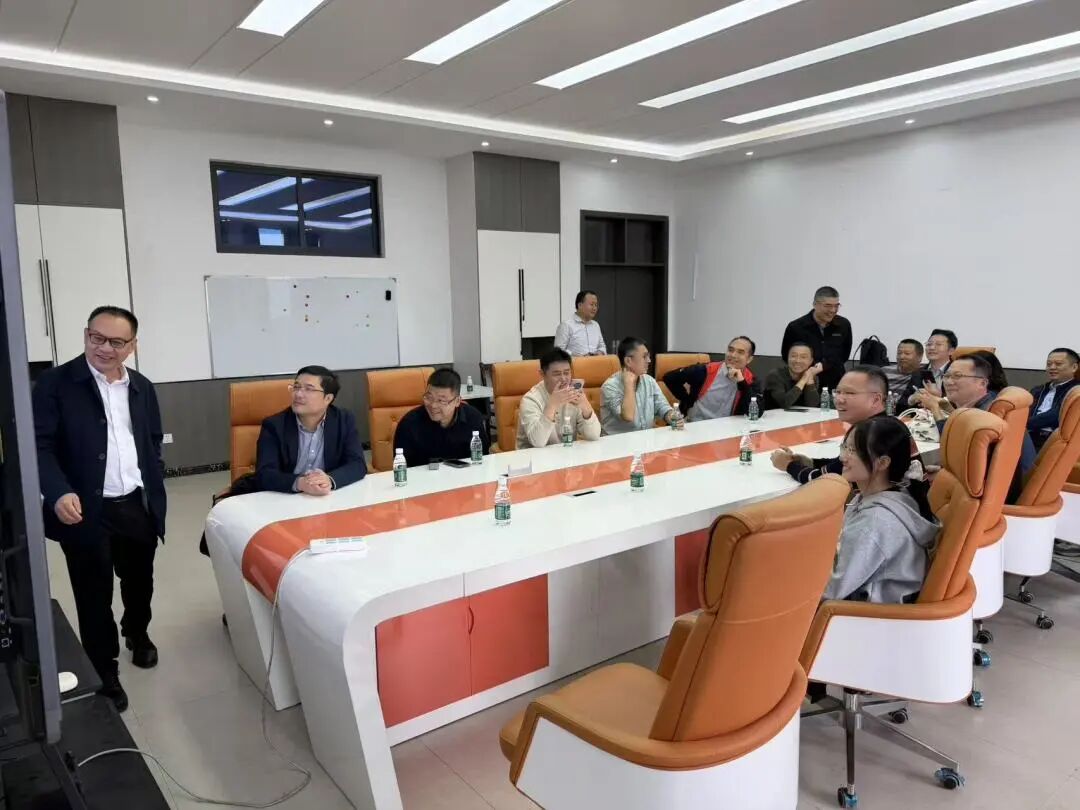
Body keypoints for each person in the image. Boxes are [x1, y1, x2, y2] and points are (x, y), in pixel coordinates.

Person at [33, 306, 166, 712]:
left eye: (116, 342)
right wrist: (57, 491)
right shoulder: (56, 384)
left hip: (135, 503)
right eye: (97, 337)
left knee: (139, 581)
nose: (105, 348)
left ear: (132, 346)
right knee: (92, 594)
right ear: (86, 335)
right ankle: (104, 669)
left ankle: (136, 632)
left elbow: (152, 438)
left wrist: (151, 475)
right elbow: (39, 445)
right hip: (83, 507)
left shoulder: (141, 386)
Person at [824, 417, 939, 603]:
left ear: (883, 462)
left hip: (868, 614)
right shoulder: (896, 495)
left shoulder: (874, 522)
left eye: (852, 450)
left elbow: (831, 590)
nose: (842, 457)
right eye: (844, 447)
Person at [916, 354, 1036, 482]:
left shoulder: (988, 413)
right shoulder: (988, 401)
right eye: (947, 376)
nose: (949, 382)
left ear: (982, 383)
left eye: (957, 376)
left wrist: (935, 409)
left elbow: (952, 440)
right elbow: (962, 426)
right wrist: (946, 407)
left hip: (998, 485)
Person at [255, 366, 367, 494]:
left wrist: (329, 480)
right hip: (286, 497)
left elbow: (357, 464)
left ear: (328, 398)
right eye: (296, 387)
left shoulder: (344, 420)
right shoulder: (274, 425)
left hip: (327, 496)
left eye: (309, 389)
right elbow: (265, 474)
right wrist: (300, 483)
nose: (298, 394)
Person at [770, 365, 890, 483]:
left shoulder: (872, 434)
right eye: (838, 392)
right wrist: (809, 462)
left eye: (850, 393)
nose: (839, 399)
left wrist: (788, 465)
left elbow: (824, 480)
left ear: (876, 399)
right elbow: (838, 465)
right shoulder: (877, 426)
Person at [393, 369, 490, 467]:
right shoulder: (409, 424)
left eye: (441, 401)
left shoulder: (473, 418)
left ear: (457, 401)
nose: (433, 405)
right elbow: (403, 468)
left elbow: (484, 459)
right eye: (429, 397)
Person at [517, 348, 601, 449]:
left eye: (567, 373)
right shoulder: (530, 400)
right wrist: (552, 405)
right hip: (533, 456)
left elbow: (594, 436)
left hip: (567, 454)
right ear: (542, 374)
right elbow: (538, 442)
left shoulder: (573, 393)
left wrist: (585, 406)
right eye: (557, 374)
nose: (563, 379)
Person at [663, 336, 761, 421]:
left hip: (727, 429)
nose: (733, 355)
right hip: (696, 424)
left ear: (749, 359)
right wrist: (687, 400)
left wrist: (742, 383)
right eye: (730, 350)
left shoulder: (751, 380)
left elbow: (757, 412)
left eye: (740, 352)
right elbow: (670, 378)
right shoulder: (706, 370)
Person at [601, 337, 683, 434]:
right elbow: (627, 416)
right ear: (628, 361)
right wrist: (629, 385)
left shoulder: (649, 381)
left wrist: (671, 416)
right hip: (617, 441)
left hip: (645, 439)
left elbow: (662, 407)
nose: (649, 360)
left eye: (648, 356)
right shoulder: (610, 386)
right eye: (644, 357)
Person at [781, 286, 852, 393]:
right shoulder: (796, 327)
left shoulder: (844, 325)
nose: (833, 310)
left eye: (836, 305)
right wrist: (810, 369)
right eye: (828, 306)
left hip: (835, 383)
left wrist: (825, 365)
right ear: (815, 304)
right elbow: (787, 355)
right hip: (804, 383)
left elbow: (844, 355)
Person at [1028, 348, 1080, 449]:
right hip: (1030, 434)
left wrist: (1022, 424)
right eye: (1049, 364)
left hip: (1052, 440)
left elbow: (1056, 416)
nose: (1052, 367)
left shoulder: (1075, 392)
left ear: (1074, 367)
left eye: (1058, 364)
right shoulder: (1038, 390)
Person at [762, 342, 822, 409]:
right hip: (773, 414)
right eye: (793, 356)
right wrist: (804, 379)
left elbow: (813, 405)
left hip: (800, 415)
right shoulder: (775, 375)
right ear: (787, 358)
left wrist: (810, 380)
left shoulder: (812, 377)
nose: (798, 361)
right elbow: (784, 403)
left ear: (811, 361)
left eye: (803, 357)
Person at [908, 329, 957, 405]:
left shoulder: (958, 373)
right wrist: (912, 399)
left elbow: (963, 406)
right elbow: (901, 404)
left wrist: (939, 397)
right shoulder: (918, 372)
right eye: (929, 344)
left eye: (938, 344)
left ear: (951, 350)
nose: (932, 347)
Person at [554, 290, 606, 357]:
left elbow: (602, 346)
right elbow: (558, 351)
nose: (594, 308)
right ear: (580, 305)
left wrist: (599, 352)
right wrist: (577, 357)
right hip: (576, 363)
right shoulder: (566, 325)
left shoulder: (596, 325)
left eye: (596, 305)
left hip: (595, 362)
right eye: (591, 304)